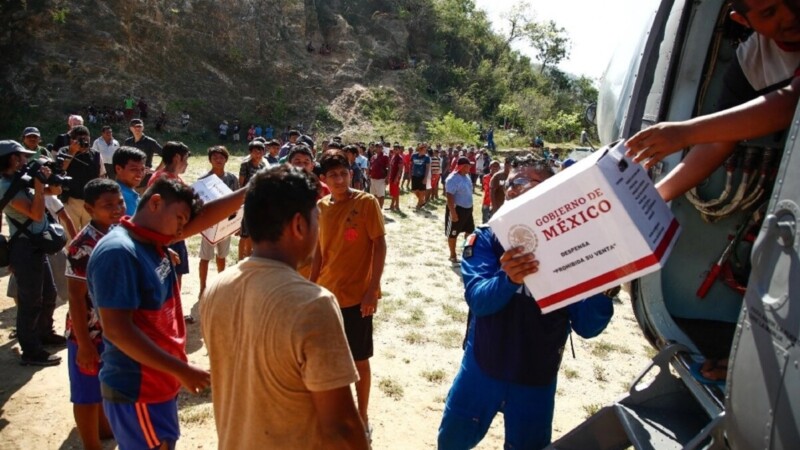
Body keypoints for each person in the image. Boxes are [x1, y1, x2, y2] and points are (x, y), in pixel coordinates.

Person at [438, 159, 614, 450]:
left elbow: (588, 327)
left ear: (553, 193)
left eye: (524, 182)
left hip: (536, 375)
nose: (512, 190)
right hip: (483, 365)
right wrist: (507, 279)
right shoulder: (486, 240)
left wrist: (604, 289)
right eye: (510, 183)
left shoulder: (574, 250)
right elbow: (479, 301)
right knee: (451, 441)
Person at [200, 166, 368, 449]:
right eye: (317, 217)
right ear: (299, 226)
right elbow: (342, 427)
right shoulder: (313, 303)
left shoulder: (217, 288)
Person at [626, 0, 800, 202]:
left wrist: (685, 133)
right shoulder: (750, 62)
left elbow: (791, 104)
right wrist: (652, 199)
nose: (790, 15)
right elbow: (719, 141)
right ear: (742, 20)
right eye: (770, 12)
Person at [87, 178, 211, 450]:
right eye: (179, 218)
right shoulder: (118, 252)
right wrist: (182, 370)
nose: (181, 229)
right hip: (138, 386)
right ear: (155, 203)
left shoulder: (149, 240)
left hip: (159, 381)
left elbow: (202, 218)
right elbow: (118, 331)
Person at [311, 150, 386, 438]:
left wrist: (372, 291)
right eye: (333, 175)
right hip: (326, 297)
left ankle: (362, 415)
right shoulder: (321, 207)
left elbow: (379, 246)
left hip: (357, 298)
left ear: (351, 174)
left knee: (359, 361)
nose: (339, 179)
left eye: (343, 173)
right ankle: (332, 413)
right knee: (327, 360)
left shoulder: (366, 203)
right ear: (323, 179)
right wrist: (311, 286)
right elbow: (319, 252)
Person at [65, 178, 123, 450]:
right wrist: (84, 344)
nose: (116, 208)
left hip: (114, 329)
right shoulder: (82, 245)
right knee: (86, 394)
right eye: (107, 205)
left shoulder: (122, 229)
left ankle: (104, 428)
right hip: (88, 332)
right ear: (89, 208)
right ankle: (91, 444)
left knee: (105, 385)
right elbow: (76, 298)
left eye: (119, 202)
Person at [0, 140, 64, 366]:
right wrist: (38, 188)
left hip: (37, 245)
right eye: (22, 157)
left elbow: (55, 191)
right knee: (30, 301)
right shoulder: (4, 186)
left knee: (48, 293)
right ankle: (31, 351)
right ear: (12, 159)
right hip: (25, 248)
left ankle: (44, 333)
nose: (27, 161)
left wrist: (50, 178)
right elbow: (36, 214)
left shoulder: (21, 179)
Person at [147, 142, 192, 288]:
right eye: (186, 159)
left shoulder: (172, 178)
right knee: (169, 281)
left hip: (175, 235)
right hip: (166, 236)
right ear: (177, 158)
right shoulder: (164, 180)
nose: (187, 163)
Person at [197, 146, 239, 296]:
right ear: (210, 160)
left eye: (221, 157)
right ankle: (202, 287)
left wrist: (236, 223)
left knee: (222, 256)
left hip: (226, 223)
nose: (218, 160)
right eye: (215, 157)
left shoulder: (232, 179)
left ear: (226, 159)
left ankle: (220, 285)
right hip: (208, 223)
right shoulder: (203, 180)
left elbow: (237, 200)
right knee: (205, 257)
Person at [57, 125, 106, 235]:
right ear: (72, 140)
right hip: (70, 199)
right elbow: (60, 170)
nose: (84, 142)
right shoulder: (64, 151)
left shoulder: (96, 155)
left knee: (91, 234)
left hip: (90, 201)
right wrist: (72, 152)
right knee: (69, 236)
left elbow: (101, 176)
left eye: (86, 139)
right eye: (80, 139)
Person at [238, 140, 267, 259]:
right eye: (255, 151)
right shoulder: (246, 165)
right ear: (250, 152)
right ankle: (240, 258)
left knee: (252, 232)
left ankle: (248, 255)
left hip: (257, 201)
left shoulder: (262, 166)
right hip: (246, 200)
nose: (258, 153)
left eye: (260, 151)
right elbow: (241, 182)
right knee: (244, 234)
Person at [444, 157, 475, 263]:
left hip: (468, 209)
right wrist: (453, 213)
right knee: (453, 233)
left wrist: (471, 207)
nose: (469, 167)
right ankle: (452, 255)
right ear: (461, 166)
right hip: (457, 209)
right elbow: (449, 196)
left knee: (470, 232)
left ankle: (466, 253)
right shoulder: (452, 179)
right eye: (467, 166)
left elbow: (469, 192)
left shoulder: (467, 176)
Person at [123, 118, 162, 190]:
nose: (137, 129)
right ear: (131, 128)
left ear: (143, 128)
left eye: (139, 127)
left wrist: (156, 171)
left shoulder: (150, 142)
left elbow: (167, 156)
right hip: (129, 180)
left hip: (144, 181)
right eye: (135, 127)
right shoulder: (128, 142)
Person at [112, 146, 147, 216]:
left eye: (142, 169)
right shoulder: (117, 198)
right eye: (134, 169)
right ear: (118, 169)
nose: (140, 174)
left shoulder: (132, 194)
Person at [410, 144, 430, 209]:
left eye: (426, 150)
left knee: (421, 191)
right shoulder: (414, 155)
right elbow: (411, 165)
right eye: (424, 150)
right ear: (420, 149)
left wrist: (425, 178)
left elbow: (427, 168)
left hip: (422, 176)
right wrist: (410, 173)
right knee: (414, 190)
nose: (425, 151)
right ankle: (422, 201)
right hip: (414, 175)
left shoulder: (427, 158)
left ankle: (419, 204)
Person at [388, 143, 403, 212]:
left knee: (394, 192)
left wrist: (396, 178)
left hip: (396, 177)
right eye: (394, 149)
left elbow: (400, 169)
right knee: (395, 191)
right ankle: (397, 205)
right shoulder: (393, 156)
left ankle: (392, 206)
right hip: (392, 176)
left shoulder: (400, 158)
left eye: (396, 149)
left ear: (399, 150)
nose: (395, 150)